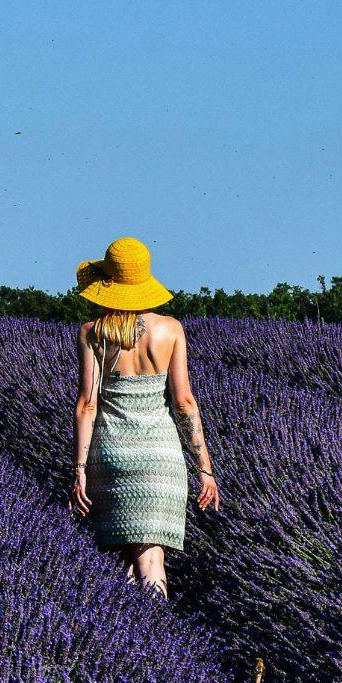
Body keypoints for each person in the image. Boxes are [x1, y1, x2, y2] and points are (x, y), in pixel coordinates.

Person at [68, 237, 218, 597]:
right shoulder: (171, 329)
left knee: (119, 561)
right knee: (151, 560)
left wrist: (80, 470)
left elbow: (87, 405)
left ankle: (124, 641)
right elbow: (184, 402)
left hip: (112, 455)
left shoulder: (92, 333)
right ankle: (156, 639)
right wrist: (205, 468)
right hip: (161, 458)